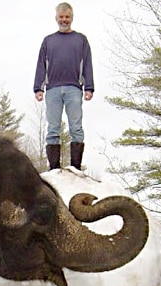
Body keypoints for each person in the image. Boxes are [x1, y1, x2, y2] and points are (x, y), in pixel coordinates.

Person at [33, 2, 94, 170]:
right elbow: (41, 65)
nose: (64, 20)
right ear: (56, 18)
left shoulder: (80, 39)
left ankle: (75, 167)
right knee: (53, 128)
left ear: (71, 18)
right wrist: (38, 87)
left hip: (74, 88)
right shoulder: (48, 41)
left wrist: (88, 87)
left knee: (76, 127)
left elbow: (87, 64)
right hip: (52, 89)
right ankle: (54, 168)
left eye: (67, 17)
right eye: (61, 17)